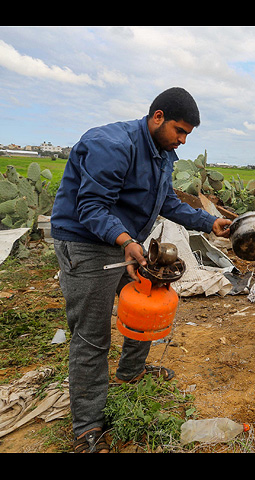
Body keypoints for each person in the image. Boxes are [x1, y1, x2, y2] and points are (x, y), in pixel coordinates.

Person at [50, 87, 232, 453]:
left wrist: (209, 222)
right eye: (179, 131)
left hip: (125, 240)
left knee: (148, 296)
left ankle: (131, 370)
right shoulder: (112, 145)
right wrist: (125, 242)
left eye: (187, 136)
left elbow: (166, 201)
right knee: (91, 334)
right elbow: (91, 208)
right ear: (158, 117)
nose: (181, 142)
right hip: (86, 244)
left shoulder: (162, 153)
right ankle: (87, 427)